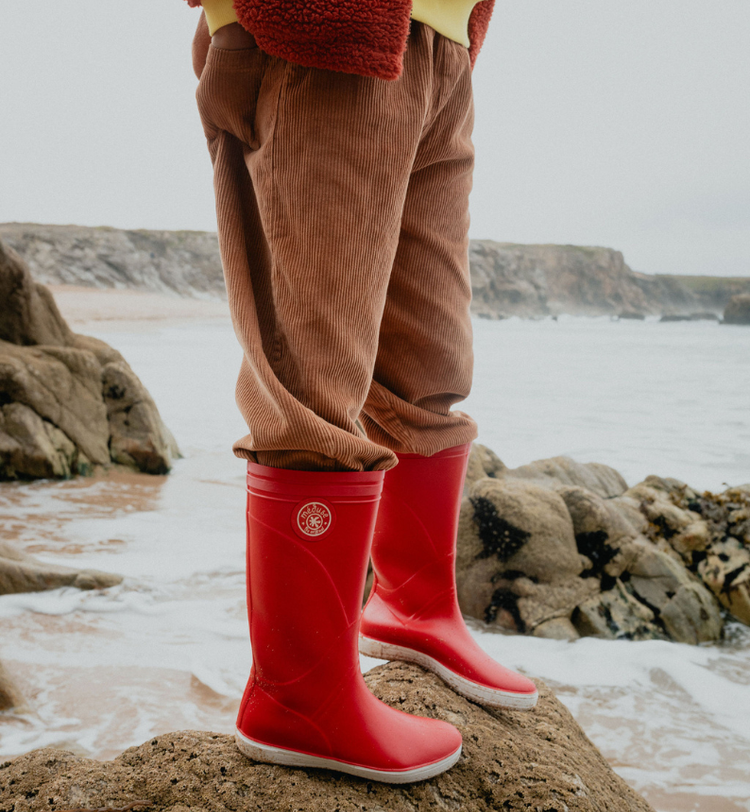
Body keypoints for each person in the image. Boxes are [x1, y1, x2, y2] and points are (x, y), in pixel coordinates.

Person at [187, 0, 538, 783]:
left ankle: (414, 610)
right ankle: (297, 699)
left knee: (431, 369)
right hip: (318, 28)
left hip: (436, 48)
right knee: (312, 385)